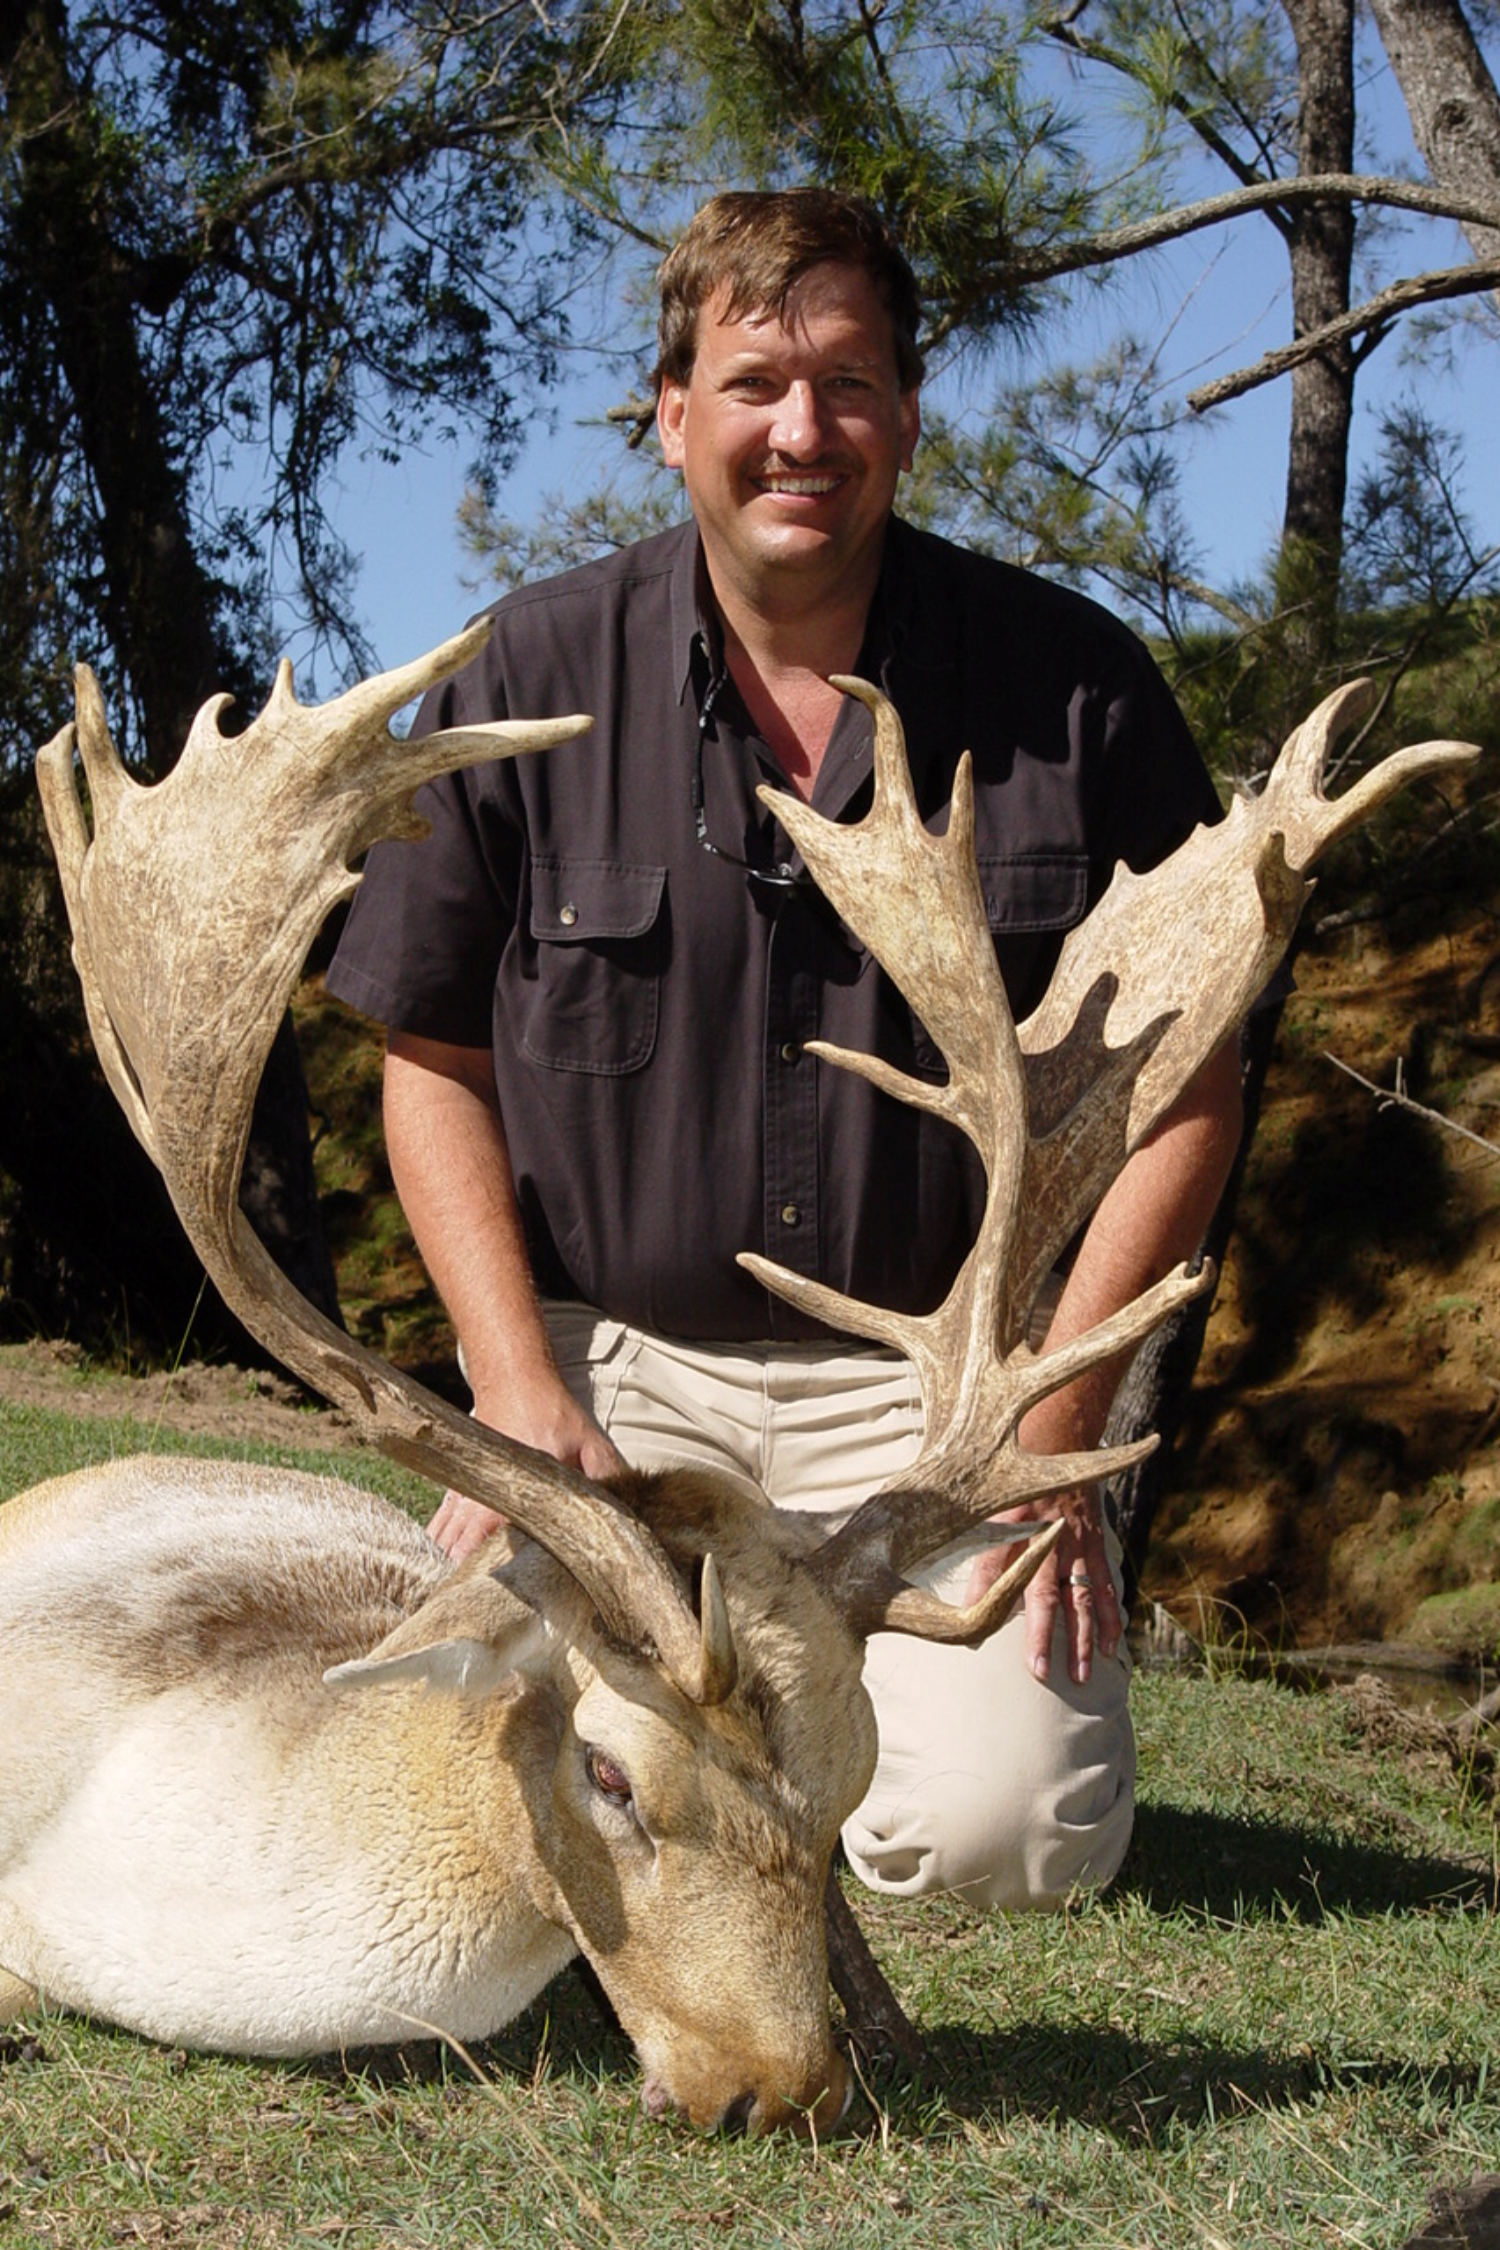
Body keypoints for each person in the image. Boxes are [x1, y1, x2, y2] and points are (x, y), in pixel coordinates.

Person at [328, 188, 1243, 1912]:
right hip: (614, 1379)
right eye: (753, 382)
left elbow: (1190, 1082)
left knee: (999, 1844)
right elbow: (429, 1052)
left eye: (845, 382)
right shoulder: (529, 675)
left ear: (907, 409)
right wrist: (513, 1387)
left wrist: (1047, 1413)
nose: (799, 431)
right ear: (674, 414)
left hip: (943, 1392)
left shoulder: (1079, 691)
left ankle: (813, 1732)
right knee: (436, 1761)